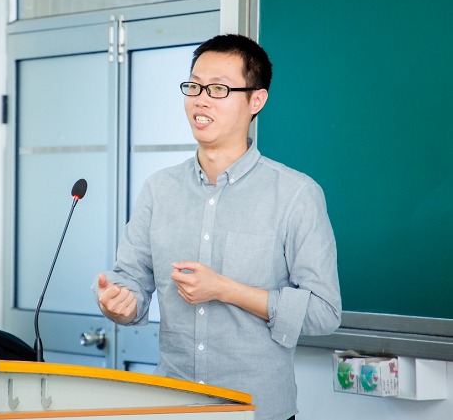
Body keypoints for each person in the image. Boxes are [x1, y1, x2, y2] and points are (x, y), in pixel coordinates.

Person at [94, 34, 341, 420]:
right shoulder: (159, 189)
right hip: (173, 407)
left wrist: (226, 289)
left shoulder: (296, 194)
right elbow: (131, 284)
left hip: (258, 411)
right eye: (194, 86)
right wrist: (119, 304)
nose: (201, 100)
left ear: (256, 100)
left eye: (219, 89)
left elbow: (324, 312)